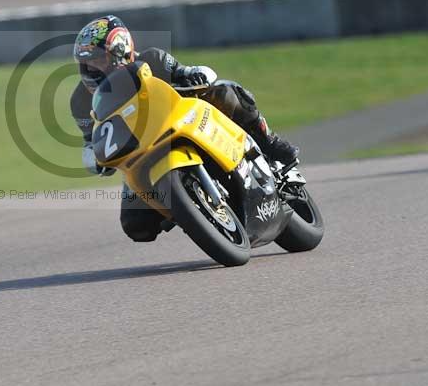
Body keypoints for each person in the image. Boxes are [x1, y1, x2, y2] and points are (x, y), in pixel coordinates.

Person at [70, 15, 298, 243]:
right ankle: (189, 207)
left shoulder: (153, 59)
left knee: (226, 92)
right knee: (136, 226)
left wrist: (194, 76)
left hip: (182, 123)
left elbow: (186, 73)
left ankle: (270, 142)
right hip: (139, 154)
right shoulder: (80, 101)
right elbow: (92, 139)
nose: (92, 69)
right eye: (87, 64)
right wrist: (95, 156)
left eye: (99, 59)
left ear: (120, 50)